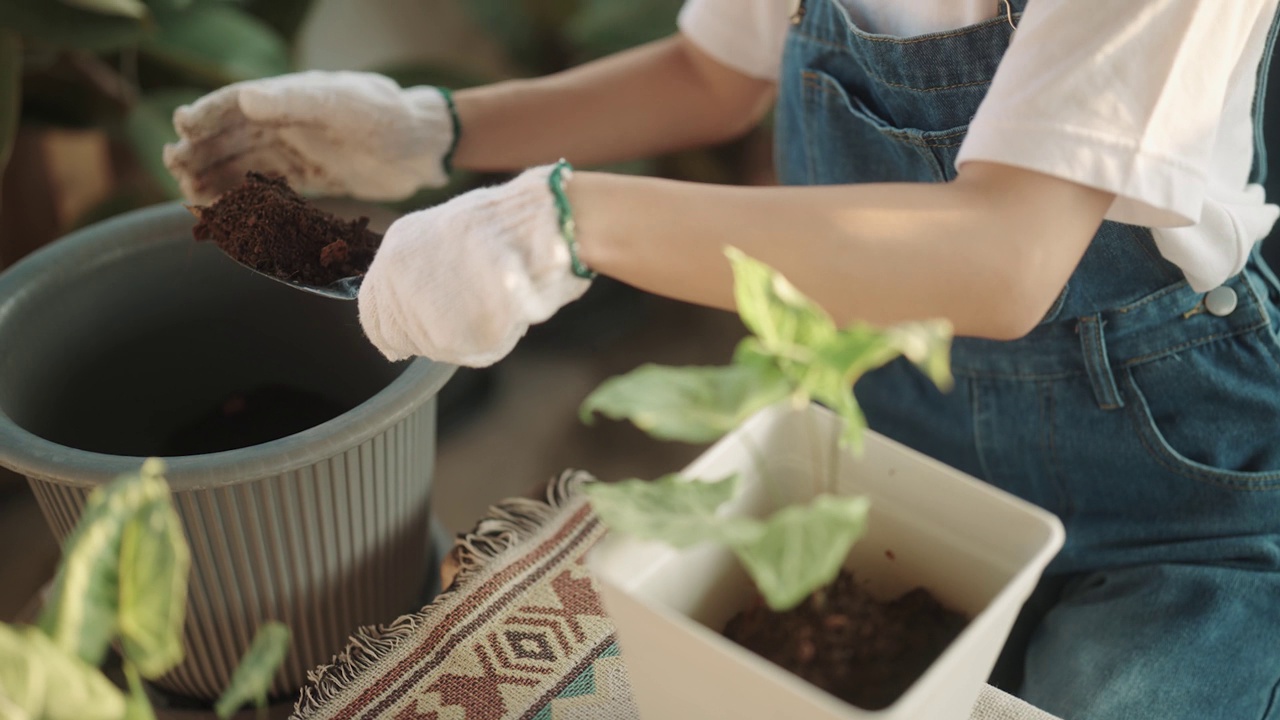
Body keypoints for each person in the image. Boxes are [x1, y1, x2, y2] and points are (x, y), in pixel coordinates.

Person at [165, 1, 1280, 717]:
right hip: (891, 447)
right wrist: (431, 131)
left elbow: (1003, 255)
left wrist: (566, 220)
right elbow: (713, 75)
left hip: (1172, 496)